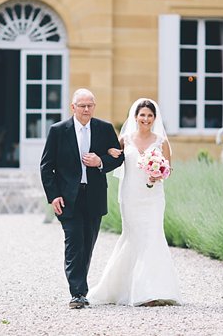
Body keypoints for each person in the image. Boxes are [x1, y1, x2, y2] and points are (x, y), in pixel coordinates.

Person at [87, 98, 181, 307]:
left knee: (153, 236)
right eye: (142, 115)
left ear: (154, 118)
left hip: (153, 197)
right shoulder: (125, 139)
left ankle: (152, 291)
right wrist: (110, 152)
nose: (146, 119)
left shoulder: (161, 142)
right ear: (135, 117)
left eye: (149, 115)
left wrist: (160, 174)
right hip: (130, 195)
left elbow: (169, 169)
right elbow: (113, 156)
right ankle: (123, 288)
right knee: (134, 237)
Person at [40, 88, 124, 309]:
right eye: (82, 105)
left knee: (87, 244)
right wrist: (53, 196)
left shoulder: (104, 129)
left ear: (94, 107)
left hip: (94, 195)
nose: (86, 109)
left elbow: (118, 157)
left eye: (90, 105)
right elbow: (47, 167)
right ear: (73, 107)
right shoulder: (58, 131)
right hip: (68, 197)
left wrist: (101, 161)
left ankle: (80, 288)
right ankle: (77, 293)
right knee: (74, 242)